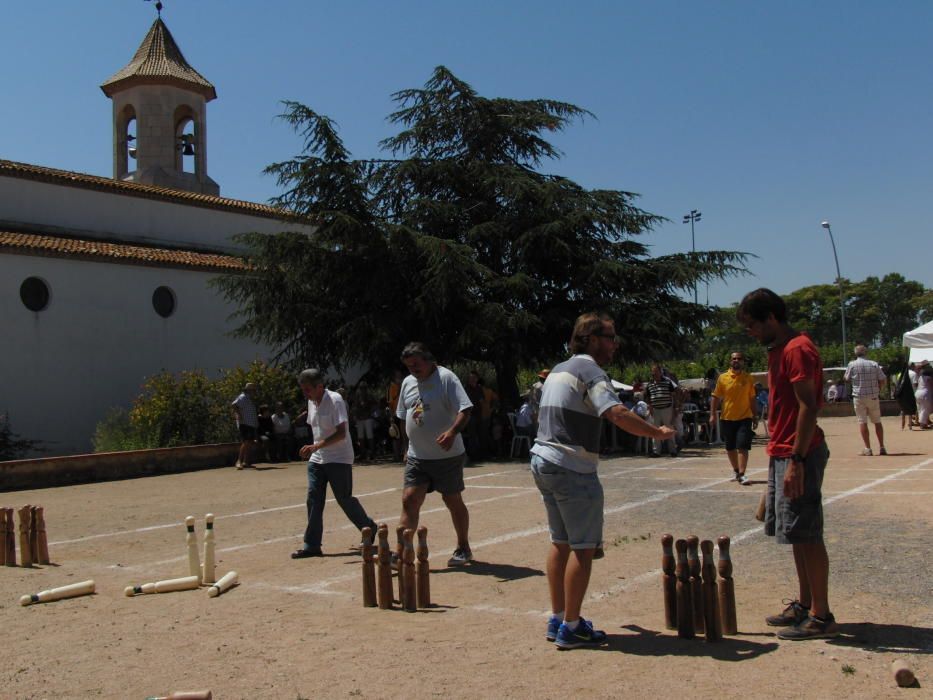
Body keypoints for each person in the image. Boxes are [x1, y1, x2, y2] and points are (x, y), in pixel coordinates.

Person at [531, 312, 676, 649]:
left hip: (543, 459)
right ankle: (572, 627)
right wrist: (658, 433)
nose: (615, 344)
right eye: (610, 337)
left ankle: (557, 618)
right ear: (592, 338)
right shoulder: (591, 371)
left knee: (560, 542)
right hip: (571, 465)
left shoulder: (559, 369)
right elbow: (616, 412)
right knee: (582, 549)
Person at [738, 288, 836, 640]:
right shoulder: (778, 349)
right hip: (782, 451)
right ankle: (805, 605)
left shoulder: (797, 349)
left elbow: (809, 406)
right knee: (796, 533)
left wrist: (796, 459)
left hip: (800, 452)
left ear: (772, 318)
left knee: (808, 534)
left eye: (752, 324)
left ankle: (822, 617)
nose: (749, 332)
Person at [396, 342, 475, 566]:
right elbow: (403, 416)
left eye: (417, 364)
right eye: (409, 366)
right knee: (409, 500)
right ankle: (402, 552)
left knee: (452, 499)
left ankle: (463, 547)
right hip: (417, 456)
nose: (413, 369)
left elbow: (465, 409)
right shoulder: (408, 382)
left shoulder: (446, 378)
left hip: (446, 456)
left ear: (429, 360)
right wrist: (405, 447)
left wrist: (452, 432)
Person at [292, 369, 377, 559]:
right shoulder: (311, 402)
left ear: (319, 386)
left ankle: (369, 528)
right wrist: (315, 448)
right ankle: (312, 545)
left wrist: (315, 446)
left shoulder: (335, 400)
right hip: (318, 458)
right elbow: (316, 427)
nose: (305, 393)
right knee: (313, 499)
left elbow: (341, 433)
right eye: (303, 390)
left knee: (344, 499)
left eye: (308, 390)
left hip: (339, 457)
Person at [709, 352, 757, 484]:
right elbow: (715, 397)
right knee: (730, 448)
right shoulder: (723, 378)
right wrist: (712, 414)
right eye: (734, 358)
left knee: (743, 446)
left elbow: (752, 398)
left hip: (744, 418)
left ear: (743, 362)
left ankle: (742, 474)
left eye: (739, 359)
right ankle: (736, 471)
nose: (736, 360)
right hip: (727, 418)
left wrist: (755, 416)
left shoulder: (748, 378)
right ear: (730, 361)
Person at [844, 344, 887, 456]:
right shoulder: (874, 364)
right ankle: (882, 447)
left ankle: (868, 448)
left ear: (855, 353)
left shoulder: (852, 364)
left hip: (859, 397)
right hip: (873, 396)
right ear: (866, 352)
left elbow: (846, 378)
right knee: (877, 422)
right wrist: (879, 389)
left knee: (862, 421)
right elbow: (882, 379)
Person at [645, 363, 679, 456]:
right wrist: (650, 407)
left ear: (660, 372)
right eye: (653, 372)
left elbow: (674, 396)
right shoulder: (649, 384)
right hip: (655, 410)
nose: (654, 374)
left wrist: (675, 408)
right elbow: (648, 397)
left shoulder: (667, 382)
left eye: (656, 372)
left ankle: (673, 450)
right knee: (655, 430)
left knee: (669, 428)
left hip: (667, 408)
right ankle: (656, 451)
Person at [231, 382, 259, 470]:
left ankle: (246, 462)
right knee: (246, 442)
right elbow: (234, 405)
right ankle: (239, 461)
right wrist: (239, 415)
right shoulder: (243, 397)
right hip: (244, 423)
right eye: (253, 390)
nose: (255, 392)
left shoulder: (249, 398)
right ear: (249, 390)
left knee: (249, 442)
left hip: (250, 423)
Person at [916, 362, 933, 429]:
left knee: (921, 409)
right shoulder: (928, 378)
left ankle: (924, 423)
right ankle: (922, 425)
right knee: (925, 409)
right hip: (925, 394)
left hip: (918, 393)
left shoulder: (920, 377)